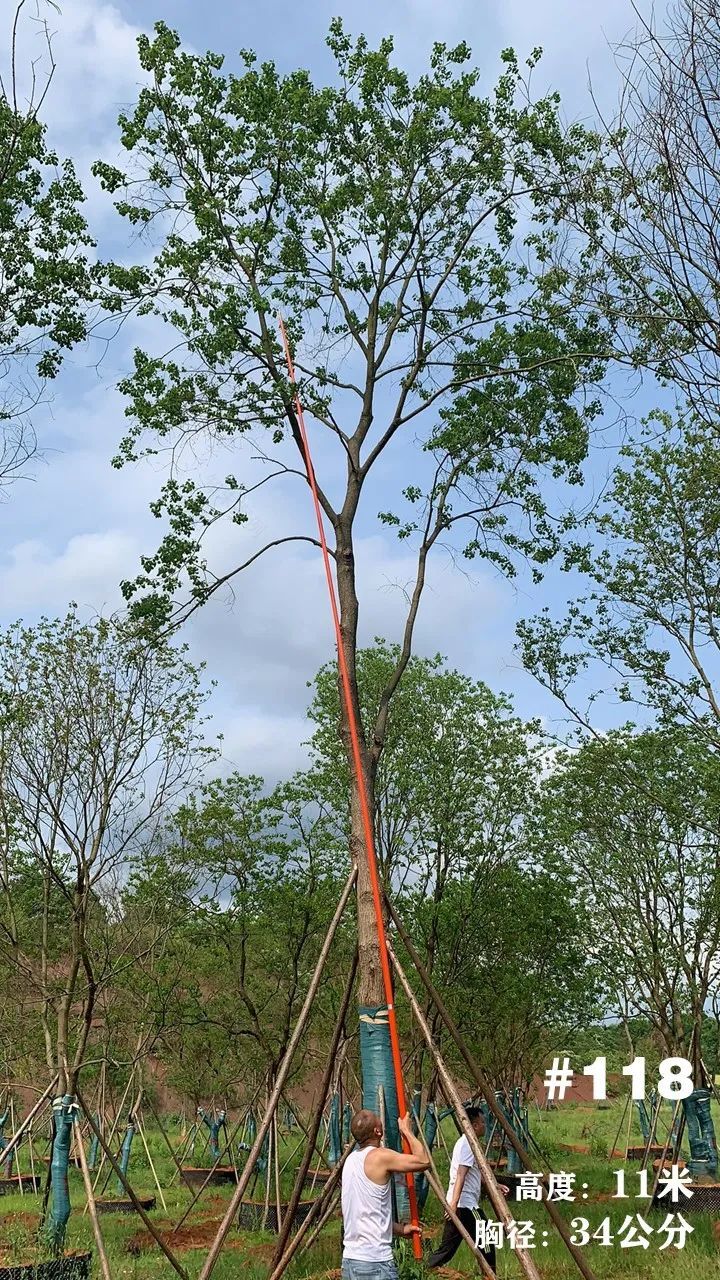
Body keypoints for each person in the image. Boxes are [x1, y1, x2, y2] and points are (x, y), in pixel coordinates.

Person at [341, 1108, 430, 1280]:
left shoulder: (350, 1161)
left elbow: (365, 1214)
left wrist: (400, 1229)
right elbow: (423, 1160)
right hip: (375, 1263)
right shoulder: (380, 1157)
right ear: (378, 1131)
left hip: (350, 1263)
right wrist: (407, 1131)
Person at [427, 1106, 508, 1273]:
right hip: (465, 1205)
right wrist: (453, 1205)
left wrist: (496, 1186)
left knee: (447, 1248)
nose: (485, 1125)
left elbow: (477, 1174)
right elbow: (461, 1175)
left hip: (460, 1204)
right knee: (486, 1239)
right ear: (475, 1125)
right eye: (482, 1122)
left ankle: (426, 1269)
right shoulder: (467, 1144)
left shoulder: (470, 1143)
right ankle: (490, 1274)